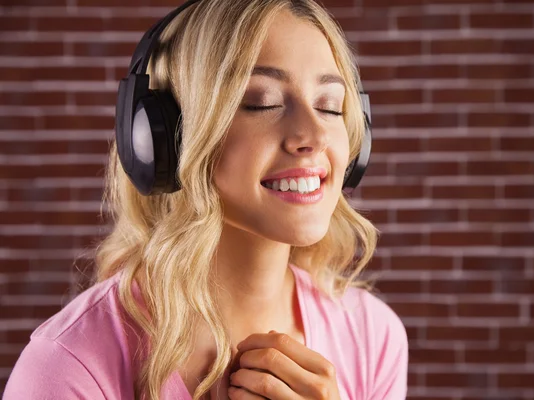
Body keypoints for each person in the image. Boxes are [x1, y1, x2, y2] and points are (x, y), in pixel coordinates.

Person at [3, 0, 408, 399]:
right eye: (261, 102)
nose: (315, 135)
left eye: (329, 107)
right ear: (166, 138)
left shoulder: (374, 337)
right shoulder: (69, 365)